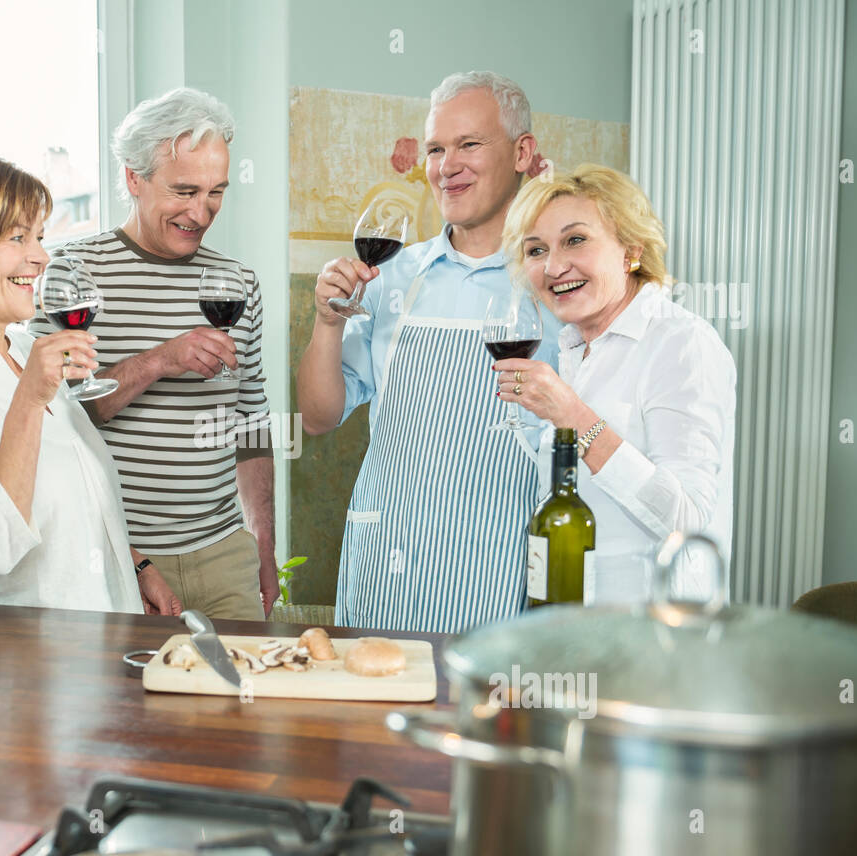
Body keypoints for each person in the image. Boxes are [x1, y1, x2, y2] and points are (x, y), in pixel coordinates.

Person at [297, 71, 559, 633]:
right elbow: (318, 418)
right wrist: (324, 323)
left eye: (470, 144)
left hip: (497, 571)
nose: (447, 165)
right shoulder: (393, 276)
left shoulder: (555, 285)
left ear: (522, 153)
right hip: (386, 567)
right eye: (437, 148)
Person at [0, 157, 181, 615]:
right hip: (28, 660)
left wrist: (135, 568)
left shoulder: (26, 349)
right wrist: (29, 400)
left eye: (39, 237)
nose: (41, 256)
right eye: (18, 237)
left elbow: (75, 494)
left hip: (106, 640)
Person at [31, 88, 276, 620]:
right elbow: (45, 417)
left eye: (216, 192)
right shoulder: (69, 273)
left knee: (243, 698)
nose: (201, 211)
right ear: (133, 178)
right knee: (129, 704)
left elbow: (252, 426)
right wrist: (158, 361)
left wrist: (262, 548)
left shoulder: (238, 282)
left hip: (225, 555)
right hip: (118, 555)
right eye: (184, 190)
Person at [495, 163, 736, 601]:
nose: (553, 266)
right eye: (535, 250)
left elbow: (688, 519)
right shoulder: (572, 349)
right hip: (572, 621)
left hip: (651, 636)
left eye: (576, 240)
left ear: (631, 251)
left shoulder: (682, 343)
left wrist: (574, 417)